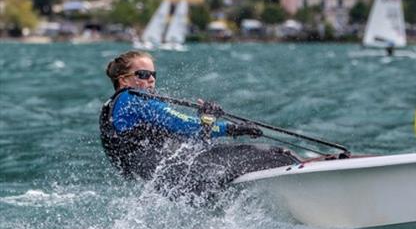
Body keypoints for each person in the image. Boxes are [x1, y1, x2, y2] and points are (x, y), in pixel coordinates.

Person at [100, 50, 299, 197]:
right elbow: (186, 126)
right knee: (278, 155)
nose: (151, 79)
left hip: (168, 182)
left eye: (153, 75)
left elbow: (192, 137)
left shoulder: (114, 106)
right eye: (142, 75)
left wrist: (218, 124)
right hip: (182, 175)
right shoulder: (134, 99)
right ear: (124, 81)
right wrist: (226, 127)